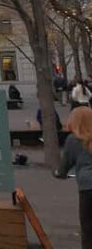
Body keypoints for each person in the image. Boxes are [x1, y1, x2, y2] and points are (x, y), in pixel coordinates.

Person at [55, 106, 92, 248]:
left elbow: (64, 167)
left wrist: (58, 173)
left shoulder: (73, 140)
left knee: (88, 229)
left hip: (87, 188)